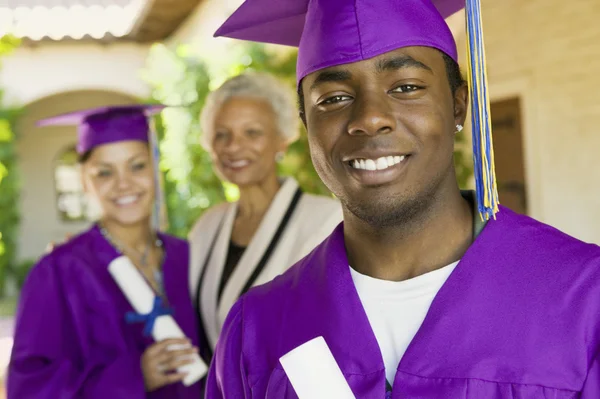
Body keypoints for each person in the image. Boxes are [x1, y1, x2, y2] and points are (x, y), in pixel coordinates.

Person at [204, 0, 600, 397]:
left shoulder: (583, 302)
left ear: (459, 104)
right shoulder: (257, 331)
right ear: (307, 124)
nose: (370, 117)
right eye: (334, 98)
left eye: (406, 87)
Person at [7, 105, 203, 398]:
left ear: (156, 169)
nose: (124, 183)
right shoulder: (58, 272)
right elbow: (28, 389)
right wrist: (133, 378)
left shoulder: (187, 256)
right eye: (104, 173)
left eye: (137, 166)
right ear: (85, 181)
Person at [189, 71, 342, 364]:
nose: (234, 146)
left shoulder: (326, 221)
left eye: (252, 132)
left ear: (283, 139)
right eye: (222, 134)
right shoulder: (207, 227)